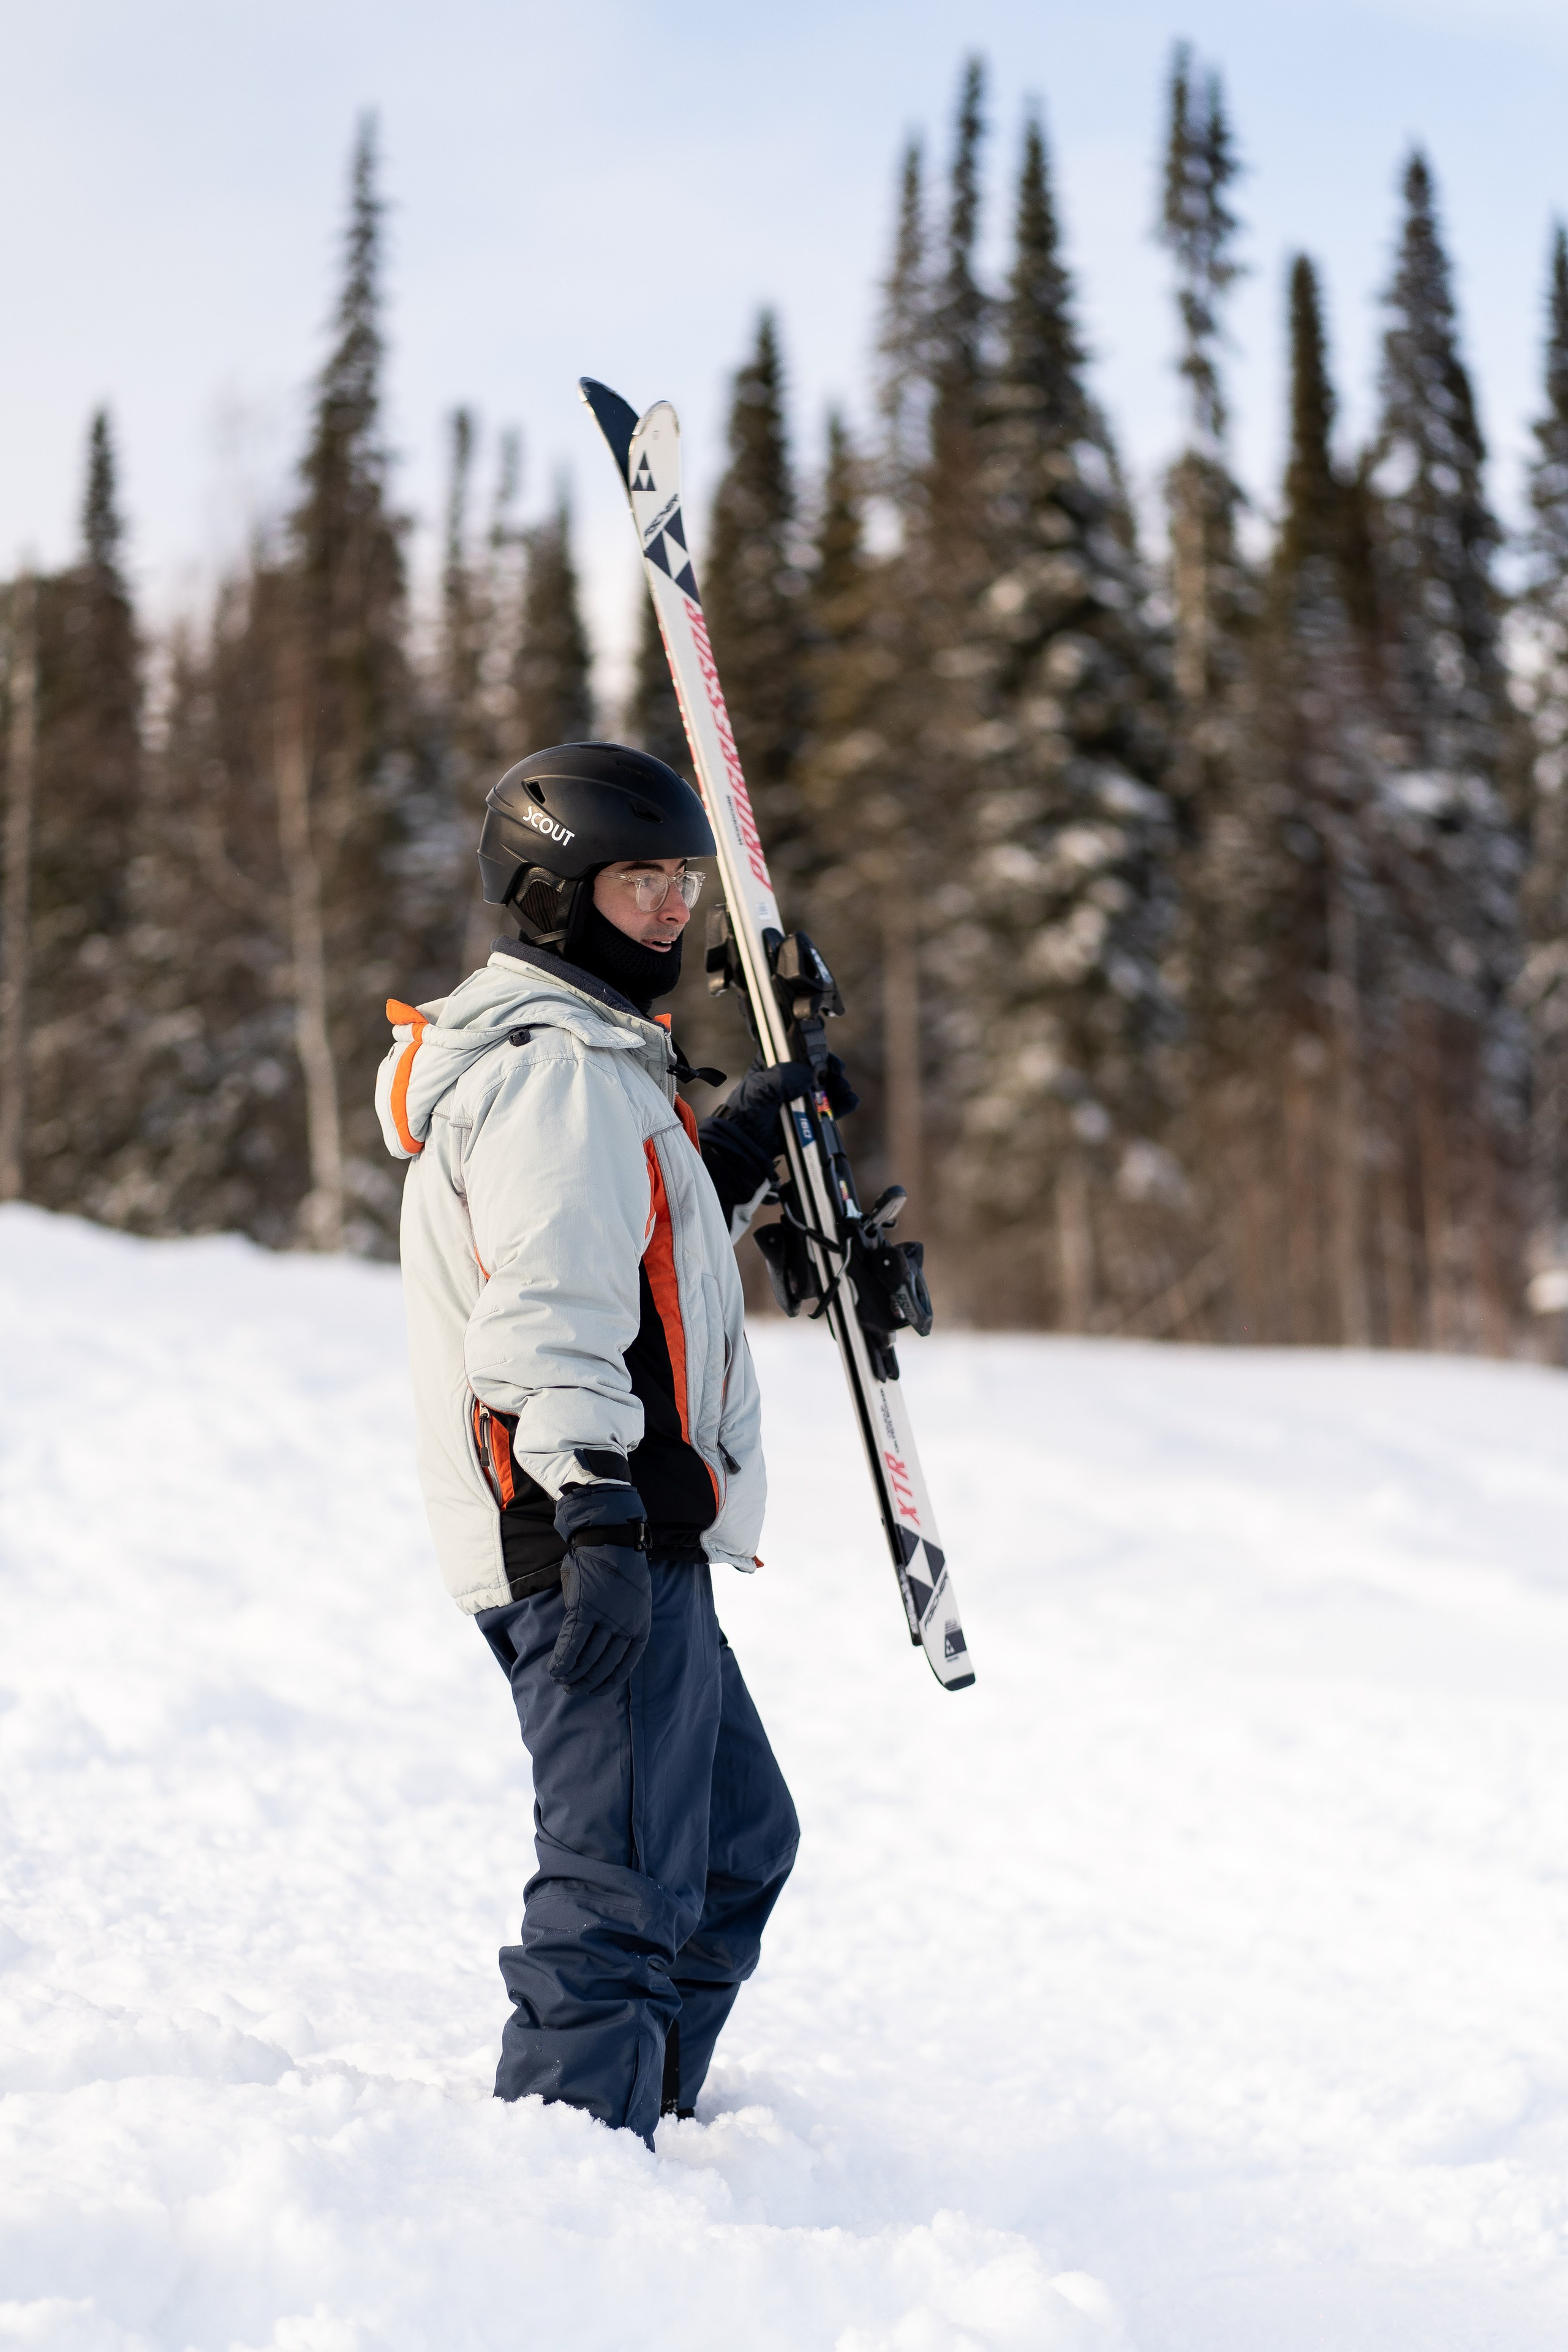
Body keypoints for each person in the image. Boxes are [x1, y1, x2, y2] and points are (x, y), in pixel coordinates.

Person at [374, 741, 852, 2146]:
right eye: (636, 878)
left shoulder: (600, 1067)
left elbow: (624, 1253)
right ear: (550, 892)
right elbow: (546, 1313)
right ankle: (571, 2176)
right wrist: (588, 1507)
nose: (669, 906)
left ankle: (649, 2121)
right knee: (622, 1885)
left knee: (734, 1846)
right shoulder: (556, 1075)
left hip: (630, 1521)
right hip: (588, 1525)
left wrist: (731, 1155)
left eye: (679, 878)